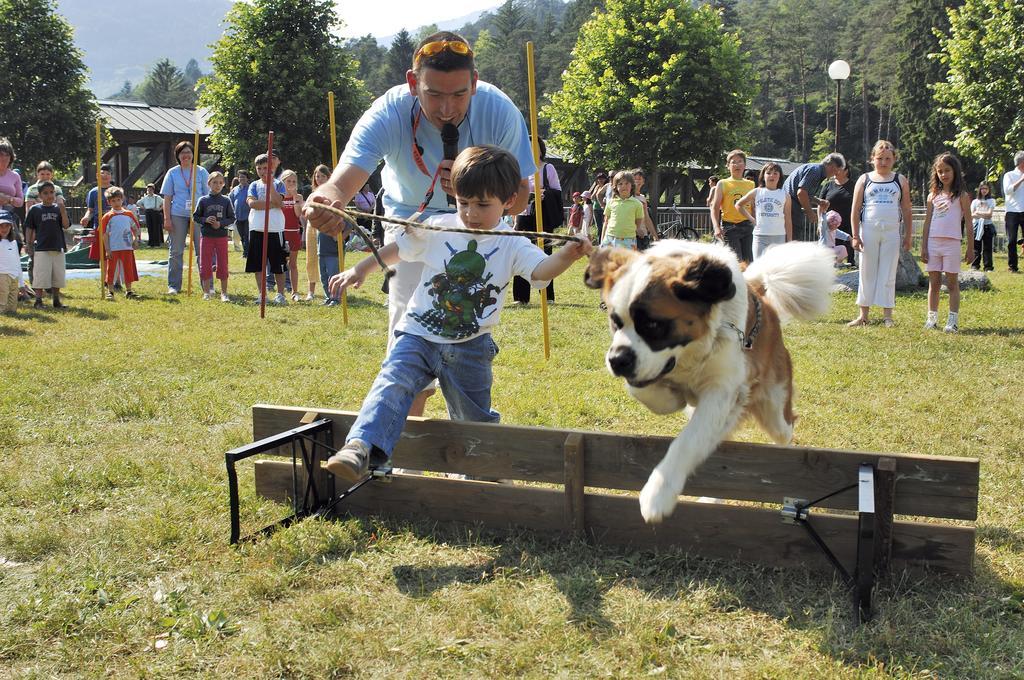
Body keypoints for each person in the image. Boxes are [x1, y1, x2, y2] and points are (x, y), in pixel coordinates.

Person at [322, 145, 592, 482]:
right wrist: (362, 268)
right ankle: (362, 448)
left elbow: (540, 272)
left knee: (473, 419)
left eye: (482, 205)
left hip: (470, 347)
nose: (471, 213)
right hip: (417, 335)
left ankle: (484, 474)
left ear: (508, 201)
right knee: (392, 384)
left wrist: (567, 255)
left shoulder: (512, 242)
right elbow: (400, 249)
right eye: (464, 203)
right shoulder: (437, 226)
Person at [304, 30, 536, 417]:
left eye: (460, 94)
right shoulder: (388, 111)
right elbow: (343, 180)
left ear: (474, 82)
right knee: (409, 340)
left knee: (464, 338)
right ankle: (404, 454)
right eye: (434, 94)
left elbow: (524, 197)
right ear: (413, 83)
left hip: (477, 230)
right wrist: (327, 201)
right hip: (411, 225)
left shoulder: (499, 109)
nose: (447, 109)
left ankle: (470, 444)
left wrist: (473, 185)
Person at [847, 140, 913, 327]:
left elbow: (906, 209)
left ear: (894, 160)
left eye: (887, 159)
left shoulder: (900, 180)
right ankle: (863, 315)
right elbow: (855, 208)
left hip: (891, 231)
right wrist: (854, 235)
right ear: (872, 159)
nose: (883, 162)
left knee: (888, 271)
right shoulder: (864, 179)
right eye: (879, 158)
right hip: (868, 230)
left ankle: (887, 316)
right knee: (866, 271)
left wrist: (908, 236)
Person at [921, 153, 973, 333]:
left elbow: (969, 223)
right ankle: (931, 318)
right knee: (933, 283)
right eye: (940, 171)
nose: (944, 174)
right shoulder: (932, 196)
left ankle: (953, 320)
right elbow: (927, 222)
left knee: (952, 283)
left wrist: (970, 248)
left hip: (952, 244)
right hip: (933, 244)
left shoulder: (962, 196)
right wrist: (923, 246)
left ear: (955, 171)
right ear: (936, 173)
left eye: (947, 170)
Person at [513, 138, 560, 304]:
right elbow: (514, 194)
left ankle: (548, 296)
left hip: (544, 216)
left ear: (541, 150)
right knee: (520, 253)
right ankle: (521, 297)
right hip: (524, 216)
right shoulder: (519, 169)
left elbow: (557, 192)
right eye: (528, 146)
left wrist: (544, 194)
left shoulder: (548, 168)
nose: (532, 150)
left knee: (545, 254)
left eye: (535, 147)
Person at [161, 141, 209, 294]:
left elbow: (209, 195)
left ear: (193, 155)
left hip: (199, 216)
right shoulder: (172, 173)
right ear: (178, 155)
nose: (186, 155)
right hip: (178, 214)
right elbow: (167, 198)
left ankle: (208, 286)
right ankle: (174, 286)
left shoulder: (201, 171)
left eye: (188, 152)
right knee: (176, 251)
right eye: (182, 153)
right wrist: (167, 219)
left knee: (202, 251)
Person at [246, 152, 288, 304]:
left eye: (265, 168)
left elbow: (279, 200)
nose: (263, 172)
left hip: (275, 229)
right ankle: (262, 293)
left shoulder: (279, 184)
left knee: (278, 264)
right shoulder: (253, 185)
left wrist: (270, 186)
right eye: (259, 169)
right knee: (258, 264)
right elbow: (252, 204)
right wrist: (272, 205)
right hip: (257, 228)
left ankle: (281, 294)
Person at [23, 181, 69, 308]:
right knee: (41, 275)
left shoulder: (58, 208)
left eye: (52, 192)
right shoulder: (35, 209)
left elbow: (65, 225)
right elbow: (29, 228)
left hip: (58, 246)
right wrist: (28, 244)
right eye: (45, 193)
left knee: (57, 275)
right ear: (39, 195)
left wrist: (63, 211)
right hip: (42, 247)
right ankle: (38, 300)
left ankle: (56, 300)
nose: (49, 195)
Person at [782, 152, 846, 240]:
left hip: (790, 204)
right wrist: (810, 212)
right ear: (832, 166)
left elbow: (806, 194)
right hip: (791, 206)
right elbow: (801, 193)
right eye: (836, 170)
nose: (835, 174)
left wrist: (819, 201)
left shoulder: (815, 169)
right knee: (792, 238)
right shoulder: (815, 171)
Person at [735, 161, 791, 259]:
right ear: (763, 176)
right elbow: (738, 205)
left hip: (778, 236)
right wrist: (752, 219)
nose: (771, 176)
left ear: (779, 176)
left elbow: (788, 219)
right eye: (768, 173)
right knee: (759, 266)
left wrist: (790, 240)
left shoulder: (785, 195)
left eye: (775, 173)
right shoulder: (757, 192)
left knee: (776, 268)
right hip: (760, 236)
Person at [193, 171, 234, 301]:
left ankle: (224, 293)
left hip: (221, 237)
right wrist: (205, 220)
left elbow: (232, 218)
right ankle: (206, 292)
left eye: (220, 183)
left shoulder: (226, 200)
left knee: (223, 263)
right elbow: (195, 216)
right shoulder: (203, 200)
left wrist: (220, 224)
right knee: (205, 263)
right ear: (209, 183)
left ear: (223, 185)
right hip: (206, 237)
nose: (217, 185)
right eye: (214, 182)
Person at [711, 150, 755, 262]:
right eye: (733, 162)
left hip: (748, 226)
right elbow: (715, 207)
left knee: (749, 262)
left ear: (744, 165)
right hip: (730, 227)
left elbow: (753, 206)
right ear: (728, 166)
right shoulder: (723, 183)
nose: (737, 165)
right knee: (736, 262)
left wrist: (756, 223)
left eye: (740, 161)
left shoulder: (751, 184)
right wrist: (716, 227)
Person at [100, 187, 141, 300]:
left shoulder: (128, 214)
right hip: (114, 248)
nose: (116, 203)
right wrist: (107, 249)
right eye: (113, 201)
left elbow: (136, 228)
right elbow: (104, 234)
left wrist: (135, 239)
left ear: (122, 199)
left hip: (127, 248)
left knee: (128, 269)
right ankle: (110, 291)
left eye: (118, 200)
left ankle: (129, 291)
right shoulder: (107, 217)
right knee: (111, 270)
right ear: (109, 202)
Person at [819, 162, 855, 265]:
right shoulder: (828, 185)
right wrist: (819, 222)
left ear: (846, 171)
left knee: (847, 251)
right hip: (829, 226)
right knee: (828, 251)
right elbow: (820, 205)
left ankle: (848, 265)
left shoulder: (854, 185)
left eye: (838, 169)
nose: (835, 171)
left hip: (849, 224)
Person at [305, 165, 332, 302]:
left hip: (325, 228)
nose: (319, 179)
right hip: (312, 228)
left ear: (328, 177)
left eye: (322, 176)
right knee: (311, 259)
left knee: (326, 260)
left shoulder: (332, 193)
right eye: (317, 176)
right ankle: (311, 291)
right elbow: (304, 211)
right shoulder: (312, 194)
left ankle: (330, 290)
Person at [601, 170, 645, 249]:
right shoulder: (611, 202)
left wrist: (637, 230)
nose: (623, 186)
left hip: (628, 240)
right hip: (610, 238)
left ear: (632, 186)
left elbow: (637, 223)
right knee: (608, 261)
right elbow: (606, 222)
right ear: (616, 187)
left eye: (626, 183)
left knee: (627, 261)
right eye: (620, 184)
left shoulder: (637, 204)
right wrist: (602, 240)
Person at [279, 170, 304, 300]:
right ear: (282, 182)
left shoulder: (298, 197)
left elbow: (298, 214)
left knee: (293, 264)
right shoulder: (279, 196)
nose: (291, 184)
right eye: (288, 181)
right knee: (280, 263)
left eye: (294, 181)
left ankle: (295, 292)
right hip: (281, 233)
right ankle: (281, 292)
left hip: (293, 233)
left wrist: (295, 198)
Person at [82, 164, 113, 264]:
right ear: (97, 175)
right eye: (102, 173)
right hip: (99, 226)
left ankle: (115, 277)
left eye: (108, 173)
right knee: (102, 255)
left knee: (114, 253)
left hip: (114, 226)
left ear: (111, 176)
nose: (105, 175)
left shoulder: (115, 191)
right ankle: (105, 277)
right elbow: (90, 210)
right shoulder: (93, 192)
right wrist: (86, 217)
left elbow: (123, 208)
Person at [1001, 151, 1024, 273]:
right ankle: (1012, 266)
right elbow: (1008, 191)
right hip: (1012, 212)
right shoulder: (1009, 175)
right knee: (1011, 240)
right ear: (1022, 163)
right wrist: (1021, 179)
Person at [970, 182, 996, 272]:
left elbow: (989, 215)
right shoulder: (974, 201)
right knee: (976, 247)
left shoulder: (991, 201)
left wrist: (978, 213)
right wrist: (980, 214)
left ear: (989, 190)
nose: (984, 190)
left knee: (987, 248)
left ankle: (988, 267)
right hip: (976, 226)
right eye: (982, 188)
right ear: (979, 189)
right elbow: (971, 215)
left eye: (986, 188)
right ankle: (975, 265)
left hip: (987, 226)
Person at [0, 211, 22, 313]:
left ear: (11, 227)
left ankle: (9, 312)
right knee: (2, 297)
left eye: (7, 226)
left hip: (14, 275)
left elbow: (17, 261)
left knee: (12, 305)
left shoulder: (13, 242)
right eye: (1, 226)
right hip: (2, 274)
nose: (4, 229)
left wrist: (21, 282)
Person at [631, 168, 658, 250]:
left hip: (643, 235)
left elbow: (646, 218)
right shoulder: (628, 197)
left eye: (639, 179)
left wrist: (655, 236)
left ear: (643, 181)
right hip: (631, 235)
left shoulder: (642, 198)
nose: (637, 181)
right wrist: (636, 229)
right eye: (634, 179)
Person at [230, 170, 251, 255]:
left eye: (243, 177)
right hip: (237, 216)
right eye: (240, 177)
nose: (241, 178)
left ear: (247, 179)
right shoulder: (235, 189)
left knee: (246, 235)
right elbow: (230, 200)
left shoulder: (250, 188)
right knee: (241, 235)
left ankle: (247, 253)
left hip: (248, 216)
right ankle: (246, 251)